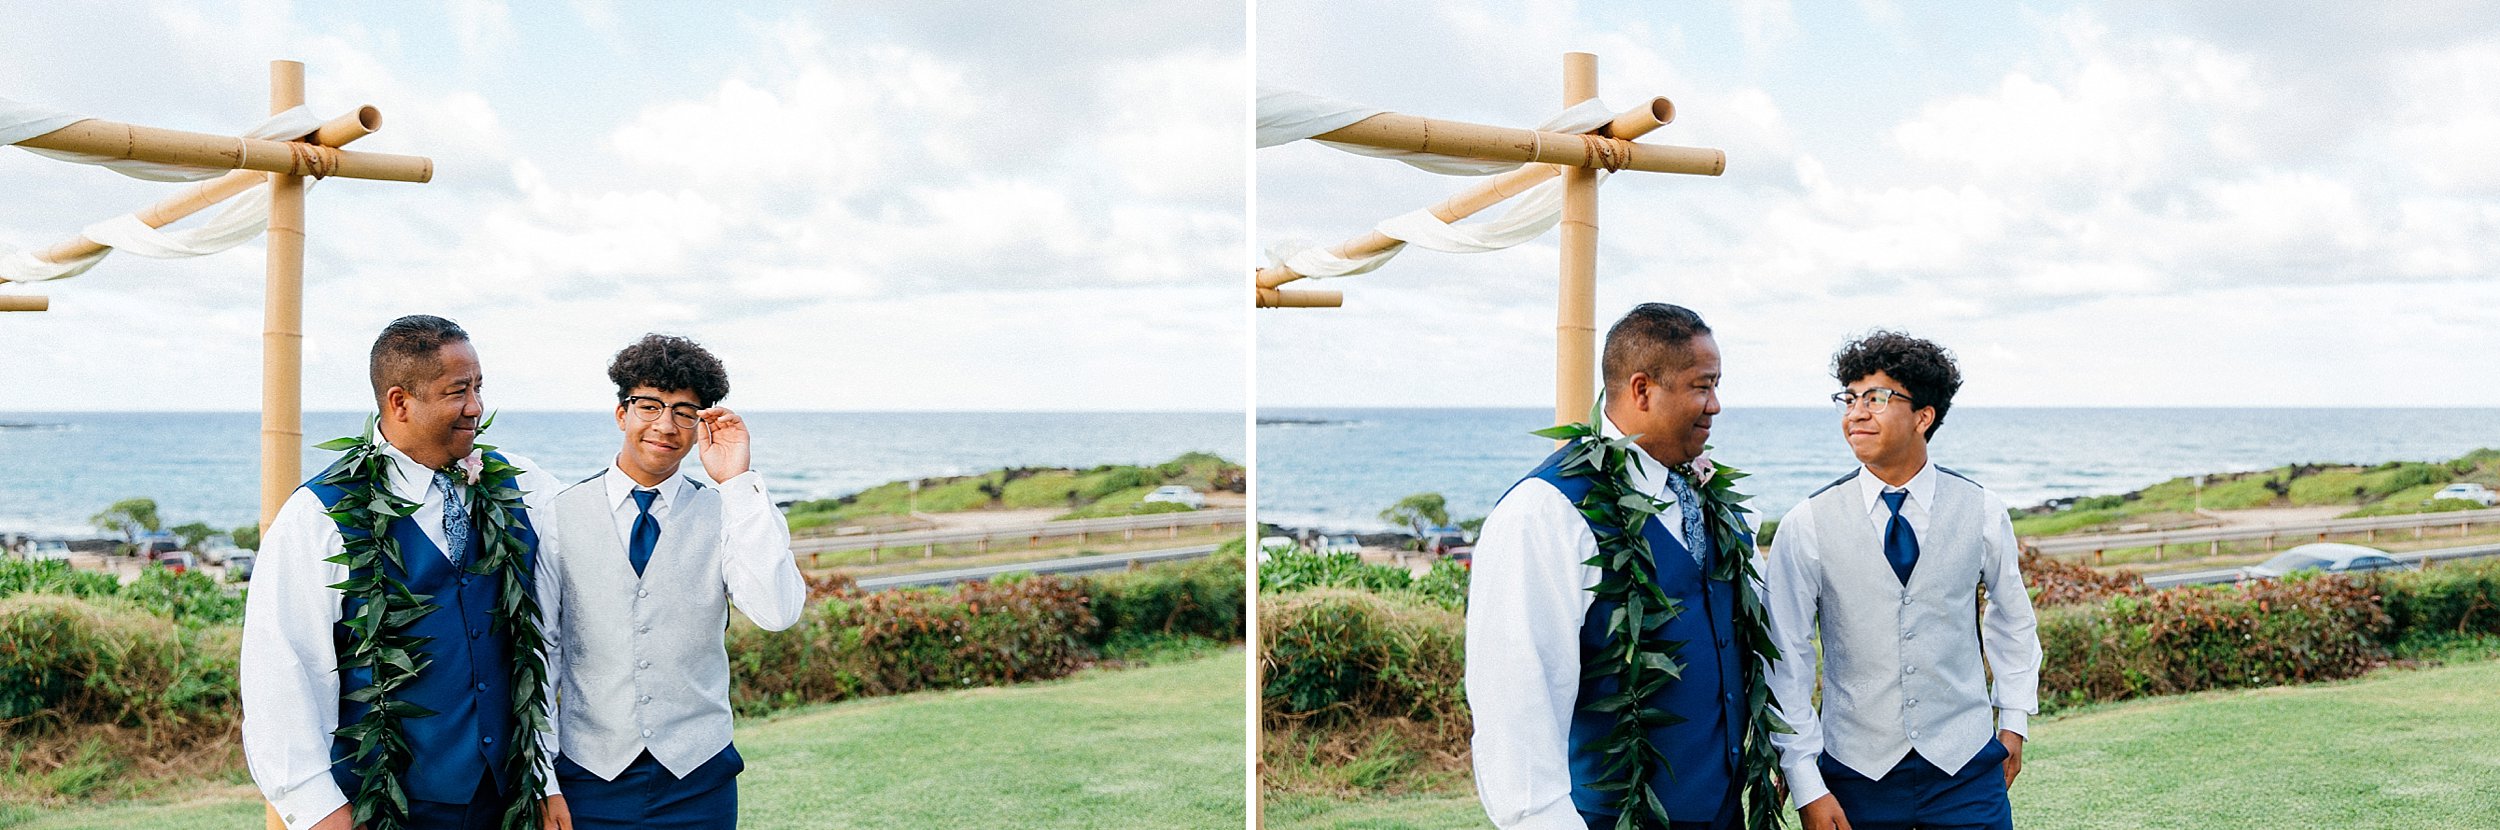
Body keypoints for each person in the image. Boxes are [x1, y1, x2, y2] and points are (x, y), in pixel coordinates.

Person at [241, 315, 562, 829]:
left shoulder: (524, 486)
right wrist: (319, 810)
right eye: (458, 392)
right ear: (399, 402)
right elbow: (281, 672)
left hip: (506, 803)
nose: (477, 407)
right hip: (382, 809)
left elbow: (554, 629)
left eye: (479, 387)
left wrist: (544, 780)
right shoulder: (320, 516)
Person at [1467, 303, 1749, 830]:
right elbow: (1516, 701)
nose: (1715, 405)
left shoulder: (1702, 494)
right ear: (1642, 390)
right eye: (1701, 386)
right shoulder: (1545, 511)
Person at [1763, 331, 2041, 830]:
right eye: (1849, 398)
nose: (1856, 413)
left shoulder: (1981, 510)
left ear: (1923, 416)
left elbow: (2012, 618)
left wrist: (2014, 720)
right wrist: (1804, 778)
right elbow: (1787, 654)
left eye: (1877, 397)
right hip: (1853, 773)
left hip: (1966, 768)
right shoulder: (1806, 523)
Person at [536, 334, 807, 830]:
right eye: (649, 406)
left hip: (699, 778)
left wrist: (737, 483)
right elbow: (544, 652)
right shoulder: (560, 514)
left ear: (702, 424)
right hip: (588, 778)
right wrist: (544, 780)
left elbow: (777, 611)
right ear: (622, 414)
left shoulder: (729, 510)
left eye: (685, 412)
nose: (665, 425)